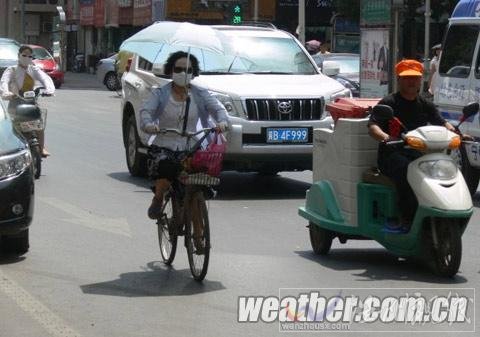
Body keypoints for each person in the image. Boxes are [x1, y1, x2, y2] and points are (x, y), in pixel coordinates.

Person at [368, 59, 455, 230]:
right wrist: (386, 137)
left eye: (415, 78)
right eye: (407, 78)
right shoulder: (389, 102)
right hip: (392, 156)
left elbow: (442, 122)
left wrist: (456, 133)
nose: (411, 82)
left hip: (419, 154)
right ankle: (406, 218)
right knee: (406, 170)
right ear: (399, 79)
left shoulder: (425, 104)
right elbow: (373, 127)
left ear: (421, 80)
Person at [140, 51, 228, 220]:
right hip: (164, 144)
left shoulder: (200, 94)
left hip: (191, 147)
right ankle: (158, 198)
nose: (183, 73)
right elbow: (146, 112)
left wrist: (222, 122)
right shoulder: (160, 93)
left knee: (201, 177)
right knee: (165, 169)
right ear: (171, 70)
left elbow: (218, 109)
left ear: (193, 73)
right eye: (179, 69)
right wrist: (149, 125)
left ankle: (197, 228)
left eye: (188, 70)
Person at [0, 45, 55, 157]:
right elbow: (4, 82)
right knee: (13, 127)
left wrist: (49, 90)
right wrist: (6, 93)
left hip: (31, 100)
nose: (27, 58)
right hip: (15, 100)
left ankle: (42, 147)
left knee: (38, 122)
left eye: (29, 56)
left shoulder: (33, 69)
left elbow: (45, 79)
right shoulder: (12, 70)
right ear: (18, 56)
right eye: (24, 55)